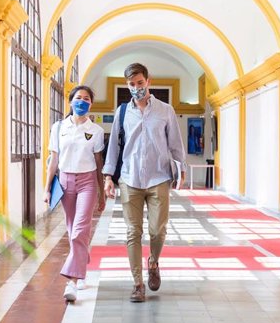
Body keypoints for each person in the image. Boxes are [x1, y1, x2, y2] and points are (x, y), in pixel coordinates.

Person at [102, 63, 187, 302]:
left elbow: (175, 144)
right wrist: (109, 176)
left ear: (148, 81)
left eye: (140, 83)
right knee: (133, 232)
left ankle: (153, 261)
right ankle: (138, 283)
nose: (136, 88)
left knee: (157, 230)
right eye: (131, 84)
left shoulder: (165, 110)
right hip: (130, 178)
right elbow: (114, 147)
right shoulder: (121, 113)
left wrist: (181, 168)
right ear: (127, 85)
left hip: (159, 176)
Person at [45, 85, 106, 302]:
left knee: (80, 229)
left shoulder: (96, 131)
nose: (82, 101)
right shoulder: (59, 127)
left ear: (91, 103)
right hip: (65, 182)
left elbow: (99, 163)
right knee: (73, 230)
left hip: (88, 182)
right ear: (70, 101)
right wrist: (47, 187)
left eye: (86, 98)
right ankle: (81, 264)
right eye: (78, 98)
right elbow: (53, 159)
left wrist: (102, 192)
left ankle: (71, 280)